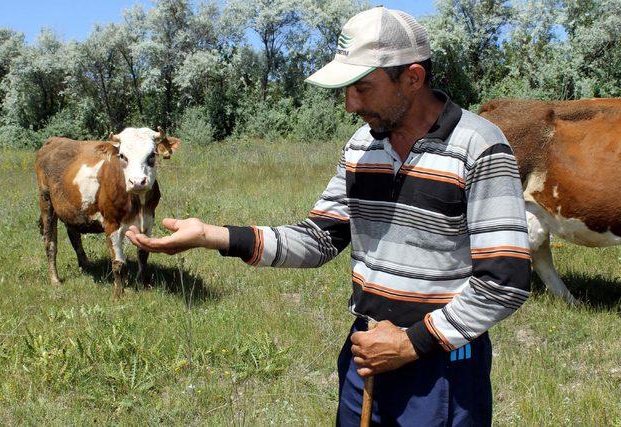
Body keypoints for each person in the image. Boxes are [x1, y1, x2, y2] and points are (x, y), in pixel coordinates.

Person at [126, 6, 531, 426]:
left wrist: (411, 344)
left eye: (363, 88)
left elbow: (504, 282)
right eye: (346, 89)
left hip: (443, 370)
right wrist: (212, 235)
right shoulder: (361, 147)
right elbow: (318, 240)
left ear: (412, 78)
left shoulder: (479, 147)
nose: (349, 104)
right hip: (366, 355)